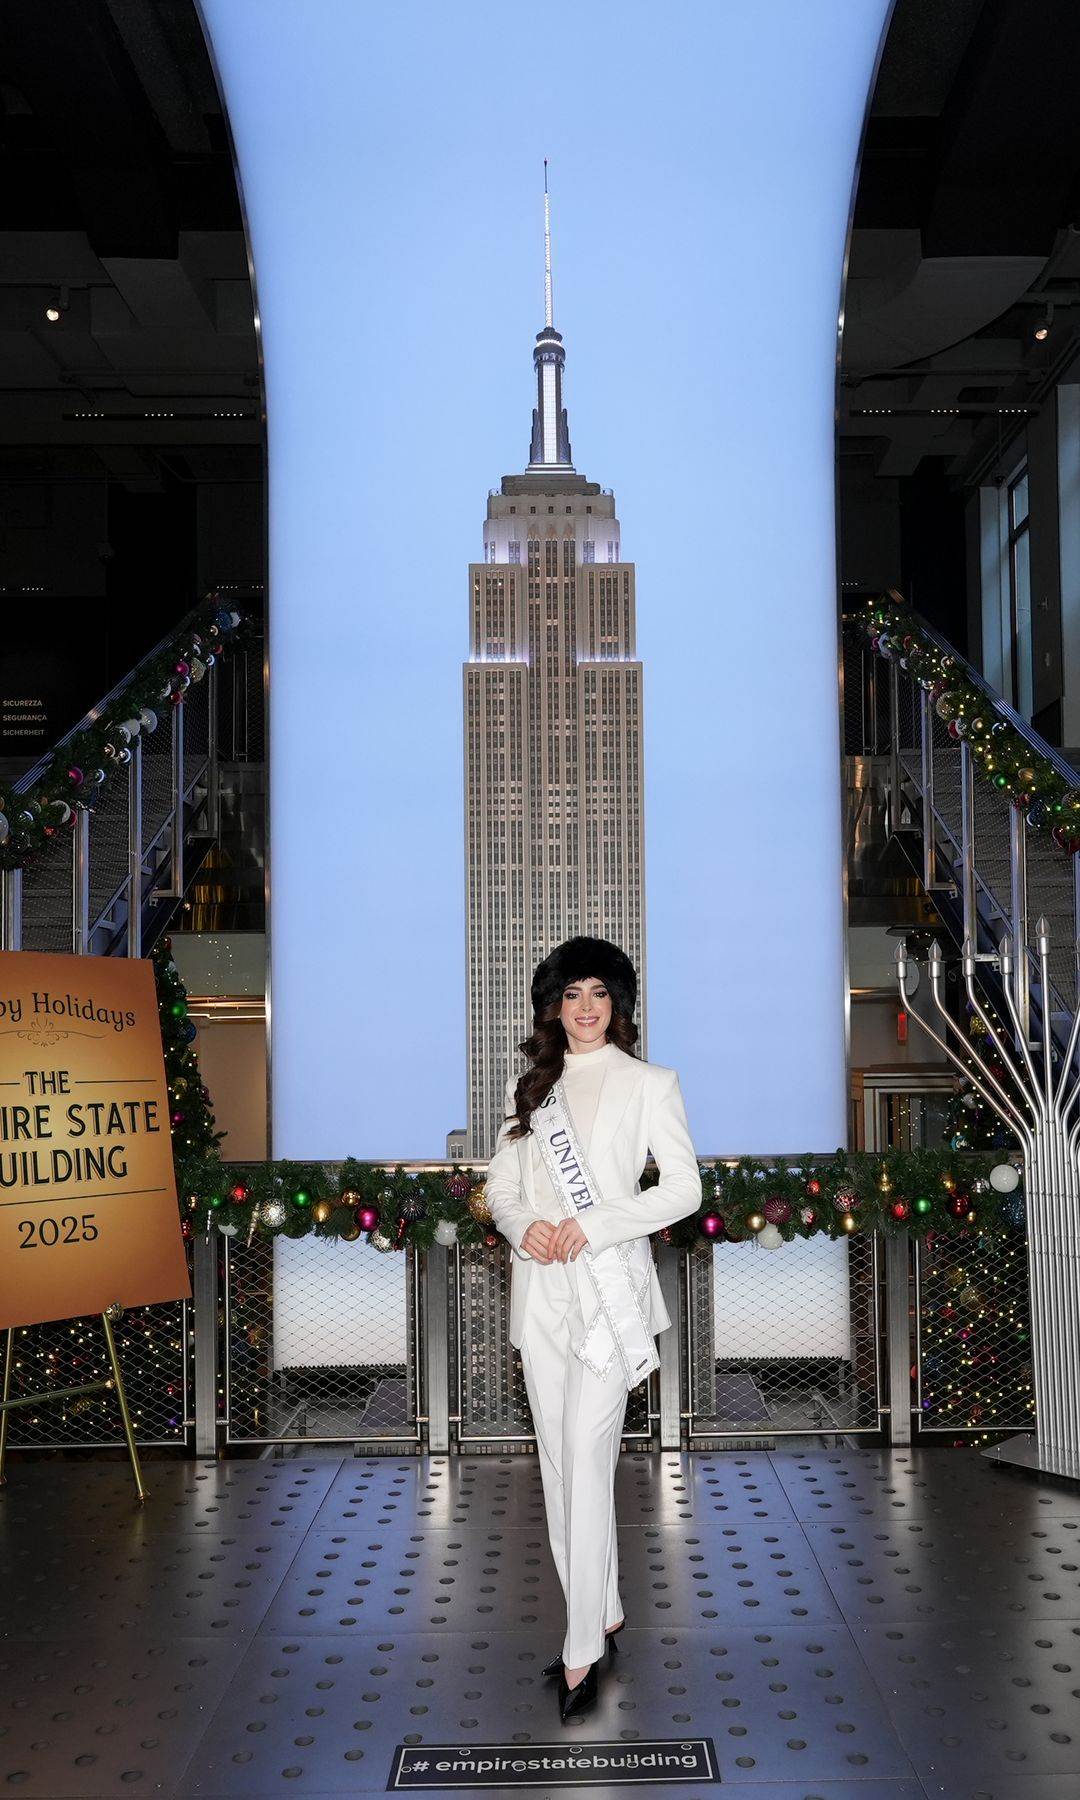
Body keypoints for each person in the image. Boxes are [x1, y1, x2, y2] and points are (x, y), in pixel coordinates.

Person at [485, 935, 702, 1721]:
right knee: (557, 1466)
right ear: (554, 1006)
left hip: (611, 1298)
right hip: (543, 1293)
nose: (586, 1007)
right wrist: (525, 1227)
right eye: (572, 993)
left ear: (618, 1005)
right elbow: (501, 1188)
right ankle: (602, 1608)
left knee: (585, 1458)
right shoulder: (530, 1089)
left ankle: (581, 1649)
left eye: (599, 993)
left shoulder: (651, 1083)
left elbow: (683, 1189)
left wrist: (596, 1222)